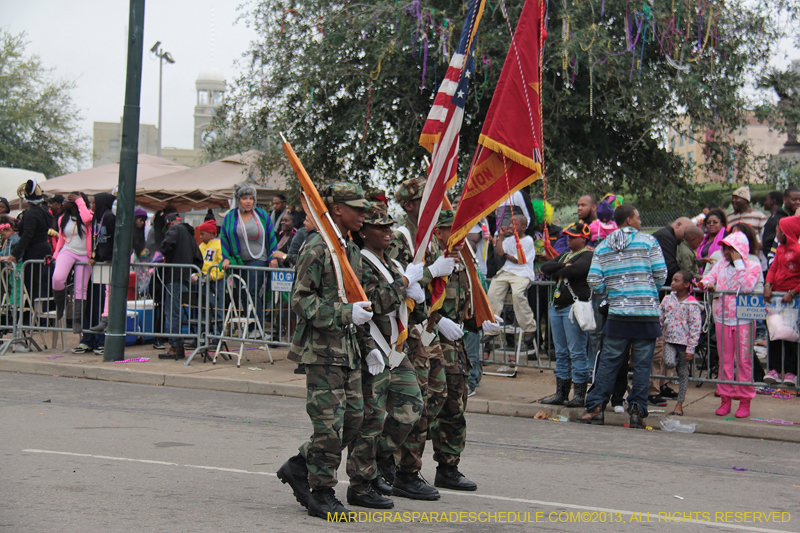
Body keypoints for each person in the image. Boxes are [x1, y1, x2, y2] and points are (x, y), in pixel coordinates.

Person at [276, 183, 375, 520]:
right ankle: (322, 493)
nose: (363, 214)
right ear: (336, 210)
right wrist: (346, 314)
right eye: (357, 208)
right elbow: (301, 299)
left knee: (353, 420)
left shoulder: (348, 249)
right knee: (329, 426)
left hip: (348, 350)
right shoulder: (317, 247)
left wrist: (368, 345)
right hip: (321, 352)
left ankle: (300, 465)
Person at [379, 177, 454, 502]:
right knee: (414, 402)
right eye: (426, 199)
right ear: (410, 205)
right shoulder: (400, 238)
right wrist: (431, 272)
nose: (436, 204)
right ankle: (400, 469)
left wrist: (442, 319)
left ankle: (400, 466)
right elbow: (394, 280)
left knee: (436, 397)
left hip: (427, 329)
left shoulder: (430, 240)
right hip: (407, 335)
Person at [344, 202, 421, 509]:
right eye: (380, 227)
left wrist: (417, 289)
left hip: (394, 349)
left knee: (411, 407)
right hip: (373, 347)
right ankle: (360, 485)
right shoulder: (360, 262)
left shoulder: (388, 261)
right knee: (371, 419)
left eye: (390, 226)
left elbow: (402, 302)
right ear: (363, 233)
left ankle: (374, 461)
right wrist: (405, 283)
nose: (389, 231)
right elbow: (375, 302)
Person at [579, 205, 667, 428]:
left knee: (609, 363)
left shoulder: (603, 246)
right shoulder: (649, 242)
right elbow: (661, 274)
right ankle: (637, 411)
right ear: (628, 220)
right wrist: (647, 290)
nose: (640, 221)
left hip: (618, 315)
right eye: (638, 217)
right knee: (642, 366)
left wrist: (612, 292)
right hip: (646, 315)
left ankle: (596, 407)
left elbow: (594, 281)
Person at [429, 209, 492, 493]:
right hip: (429, 345)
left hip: (455, 350)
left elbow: (465, 308)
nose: (461, 239)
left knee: (455, 407)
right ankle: (402, 468)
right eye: (453, 233)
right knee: (424, 410)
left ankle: (448, 468)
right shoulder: (428, 261)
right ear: (438, 232)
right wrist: (437, 320)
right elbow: (409, 302)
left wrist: (482, 321)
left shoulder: (462, 263)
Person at [698, 232, 762, 418]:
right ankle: (725, 398)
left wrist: (739, 264)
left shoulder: (753, 266)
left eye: (729, 249)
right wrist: (706, 284)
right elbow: (709, 278)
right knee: (725, 361)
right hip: (723, 318)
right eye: (724, 248)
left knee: (744, 361)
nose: (725, 252)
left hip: (745, 319)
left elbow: (747, 287)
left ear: (739, 250)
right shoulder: (721, 265)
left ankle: (744, 401)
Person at [540, 221, 594, 407]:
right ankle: (560, 393)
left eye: (573, 237)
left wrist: (560, 269)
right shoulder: (565, 255)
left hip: (573, 309)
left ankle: (579, 395)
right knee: (561, 353)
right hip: (556, 307)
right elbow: (545, 268)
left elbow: (576, 270)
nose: (569, 240)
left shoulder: (587, 255)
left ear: (584, 238)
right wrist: (563, 266)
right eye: (568, 236)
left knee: (577, 352)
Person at [220, 184, 278, 331]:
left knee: (252, 291)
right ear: (238, 200)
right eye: (245, 198)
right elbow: (224, 237)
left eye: (251, 198)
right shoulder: (230, 217)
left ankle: (257, 328)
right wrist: (225, 257)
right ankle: (249, 327)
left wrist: (273, 256)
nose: (248, 202)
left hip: (258, 259)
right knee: (242, 294)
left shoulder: (262, 215)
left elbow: (271, 235)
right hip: (238, 261)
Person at [484, 213, 537, 353]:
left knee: (518, 294)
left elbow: (520, 259)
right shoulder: (509, 239)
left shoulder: (528, 241)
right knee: (493, 293)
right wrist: (500, 236)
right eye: (511, 223)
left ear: (523, 227)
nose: (511, 225)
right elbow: (500, 252)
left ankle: (529, 328)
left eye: (515, 223)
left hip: (522, 273)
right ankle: (492, 329)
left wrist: (507, 256)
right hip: (506, 271)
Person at [5, 180, 55, 317]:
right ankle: (42, 317)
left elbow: (27, 235)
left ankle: (40, 318)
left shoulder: (31, 213)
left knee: (34, 285)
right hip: (44, 249)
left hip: (34, 251)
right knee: (42, 284)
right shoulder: (44, 212)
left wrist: (15, 254)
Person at [763, 216, 800, 387]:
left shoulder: (798, 251)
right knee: (774, 333)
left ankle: (792, 372)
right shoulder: (779, 249)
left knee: (791, 336)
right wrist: (768, 285)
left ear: (787, 232)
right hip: (777, 299)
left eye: (779, 230)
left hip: (792, 302)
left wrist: (793, 292)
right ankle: (774, 370)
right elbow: (773, 268)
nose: (776, 232)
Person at [159, 212, 202, 360]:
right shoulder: (191, 235)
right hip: (185, 278)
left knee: (172, 312)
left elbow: (166, 245)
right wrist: (192, 273)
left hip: (175, 276)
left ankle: (175, 346)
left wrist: (164, 250)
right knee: (178, 311)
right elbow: (199, 259)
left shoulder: (174, 230)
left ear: (170, 223)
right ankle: (178, 346)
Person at [659, 271, 703, 416]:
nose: (672, 283)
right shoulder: (667, 299)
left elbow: (695, 327)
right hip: (670, 340)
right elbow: (660, 317)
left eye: (676, 281)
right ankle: (677, 363)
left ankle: (679, 404)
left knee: (683, 375)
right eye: (672, 280)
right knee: (670, 362)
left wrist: (691, 348)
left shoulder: (692, 304)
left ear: (686, 284)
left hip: (685, 344)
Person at [51, 193, 93, 335]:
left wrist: (79, 200)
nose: (65, 202)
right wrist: (55, 255)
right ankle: (60, 306)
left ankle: (77, 321)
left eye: (69, 200)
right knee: (57, 278)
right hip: (67, 250)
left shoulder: (88, 215)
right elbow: (61, 239)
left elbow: (87, 219)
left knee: (81, 289)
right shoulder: (63, 218)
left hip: (84, 255)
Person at [87, 193, 116, 345]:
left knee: (111, 291)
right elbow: (98, 240)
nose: (91, 205)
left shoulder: (110, 217)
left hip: (113, 260)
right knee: (107, 290)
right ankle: (105, 318)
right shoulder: (97, 219)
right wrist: (95, 257)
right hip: (105, 259)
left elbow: (116, 237)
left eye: (93, 203)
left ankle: (108, 318)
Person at [727, 186, 768, 269]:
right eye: (733, 198)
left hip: (753, 258)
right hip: (734, 259)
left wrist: (755, 246)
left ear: (746, 201)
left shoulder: (759, 216)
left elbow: (764, 239)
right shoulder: (729, 218)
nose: (733, 200)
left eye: (737, 198)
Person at [197, 219, 225, 331]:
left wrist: (212, 276)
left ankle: (217, 335)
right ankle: (201, 334)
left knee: (217, 309)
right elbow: (197, 262)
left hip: (216, 281)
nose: (200, 237)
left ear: (212, 233)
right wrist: (196, 274)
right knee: (203, 309)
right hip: (202, 280)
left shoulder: (219, 245)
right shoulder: (201, 246)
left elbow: (222, 264)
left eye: (203, 234)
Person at [763, 187, 800, 267]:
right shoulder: (775, 220)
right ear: (784, 200)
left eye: (799, 200)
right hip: (780, 266)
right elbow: (767, 246)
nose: (797, 202)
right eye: (794, 200)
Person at [696, 209, 727, 274]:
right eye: (708, 223)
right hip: (701, 274)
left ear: (722, 224)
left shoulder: (726, 239)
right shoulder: (702, 240)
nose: (711, 224)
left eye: (715, 222)